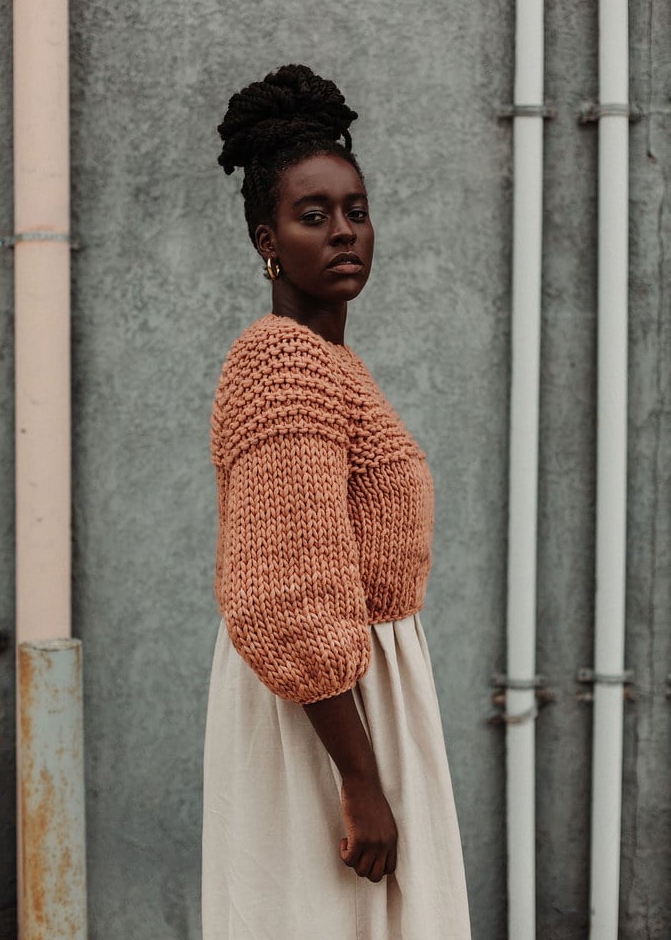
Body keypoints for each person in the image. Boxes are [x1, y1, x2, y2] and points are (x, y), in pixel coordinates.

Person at [202, 64, 471, 940]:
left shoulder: (330, 364)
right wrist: (359, 781)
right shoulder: (282, 362)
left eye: (355, 210)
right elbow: (285, 596)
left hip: (353, 701)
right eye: (312, 215)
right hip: (324, 722)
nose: (344, 231)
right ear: (267, 241)